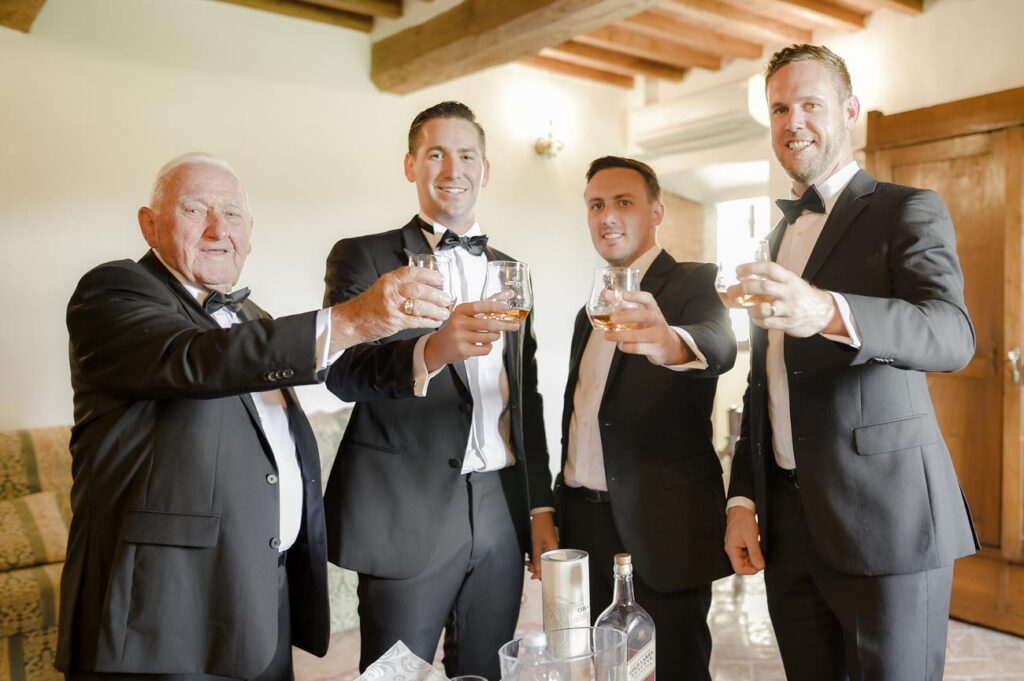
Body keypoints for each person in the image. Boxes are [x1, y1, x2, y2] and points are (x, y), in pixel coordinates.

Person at [57, 152, 450, 681]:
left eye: (234, 215)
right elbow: (195, 360)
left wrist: (432, 347)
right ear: (150, 224)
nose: (220, 229)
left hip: (261, 594)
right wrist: (354, 318)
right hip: (165, 606)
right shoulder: (113, 293)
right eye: (196, 210)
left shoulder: (252, 316)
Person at [723, 44, 979, 681]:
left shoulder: (906, 209)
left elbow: (950, 334)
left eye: (810, 104)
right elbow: (767, 381)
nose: (793, 122)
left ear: (850, 112)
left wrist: (829, 312)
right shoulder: (774, 237)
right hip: (788, 525)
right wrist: (744, 499)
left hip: (887, 521)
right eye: (780, 109)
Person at [321, 101, 555, 680]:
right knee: (395, 675)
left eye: (467, 154)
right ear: (411, 166)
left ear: (486, 169)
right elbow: (342, 371)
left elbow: (526, 402)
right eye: (436, 154)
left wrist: (538, 507)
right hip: (406, 509)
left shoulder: (513, 271)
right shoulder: (363, 256)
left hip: (498, 510)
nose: (453, 168)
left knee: (485, 670)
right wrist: (432, 350)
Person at [555, 156, 735, 680]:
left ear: (656, 212)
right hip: (584, 522)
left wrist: (667, 340)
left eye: (623, 203)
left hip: (663, 526)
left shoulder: (695, 283)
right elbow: (582, 414)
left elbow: (718, 344)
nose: (607, 216)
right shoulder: (587, 312)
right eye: (596, 205)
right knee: (602, 670)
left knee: (674, 668)